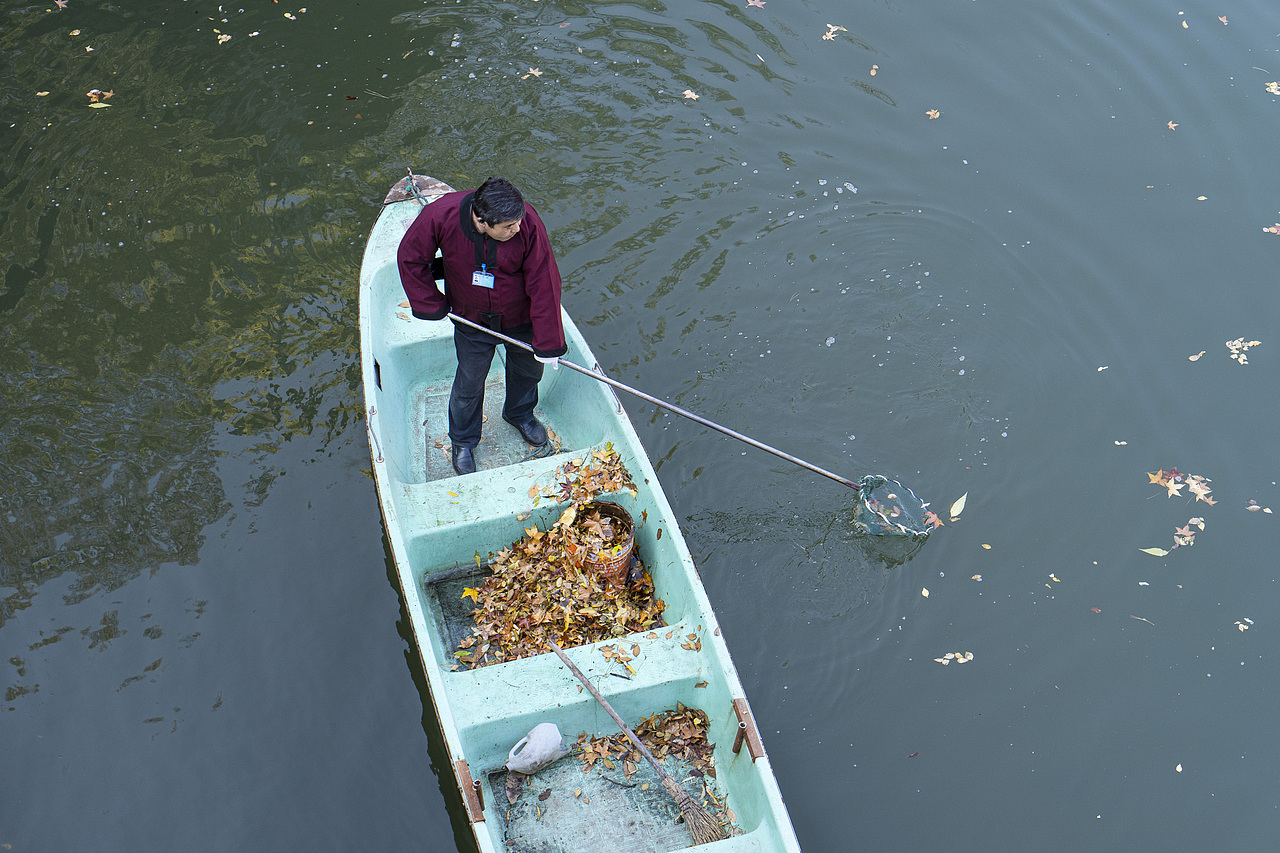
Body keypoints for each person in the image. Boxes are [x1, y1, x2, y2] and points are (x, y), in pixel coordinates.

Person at [397, 177, 567, 476]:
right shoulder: (440, 216)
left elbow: (545, 282)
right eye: (508, 227)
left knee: (529, 371)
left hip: (519, 316)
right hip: (471, 317)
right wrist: (431, 303)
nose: (517, 229)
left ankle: (519, 413)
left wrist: (548, 342)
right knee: (469, 382)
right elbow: (410, 258)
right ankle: (463, 440)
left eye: (518, 223)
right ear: (481, 220)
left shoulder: (526, 223)